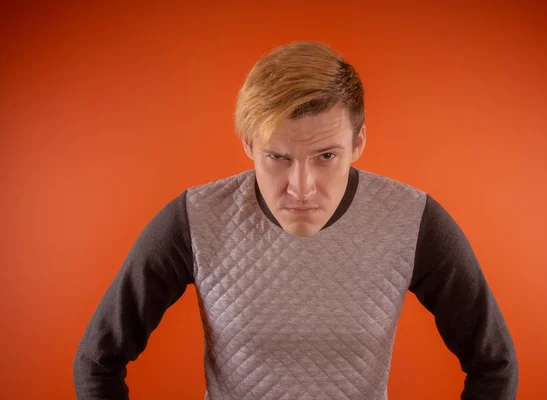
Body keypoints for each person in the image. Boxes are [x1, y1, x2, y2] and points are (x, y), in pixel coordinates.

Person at [73, 41, 518, 399]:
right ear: (249, 144)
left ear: (358, 141)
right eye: (277, 157)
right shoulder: (193, 218)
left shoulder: (414, 219)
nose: (301, 188)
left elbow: (494, 366)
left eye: (326, 156)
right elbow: (98, 362)